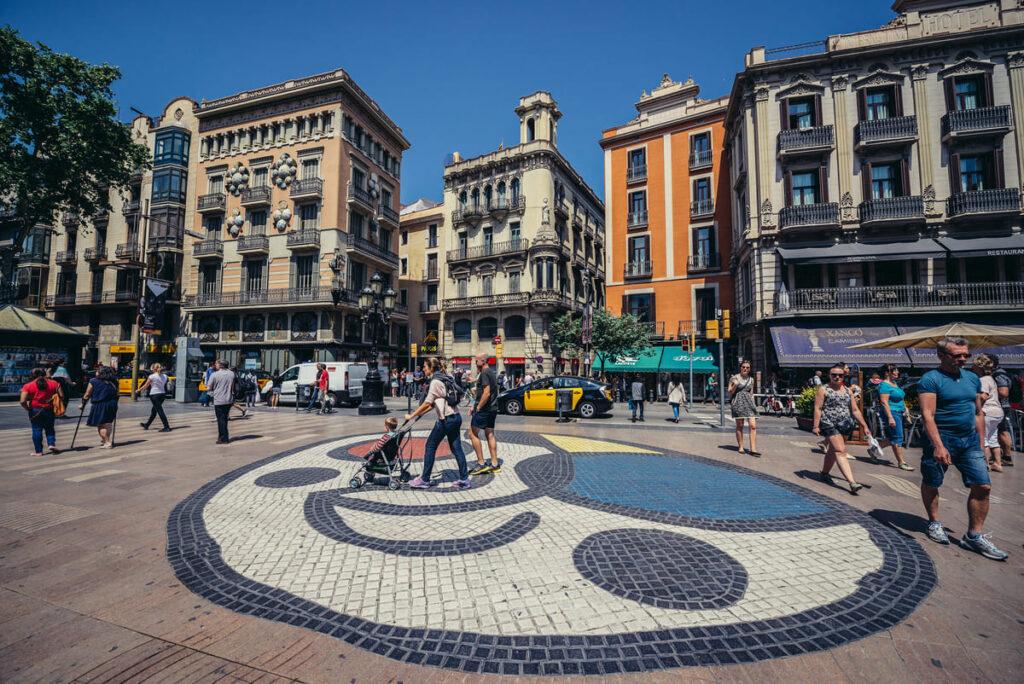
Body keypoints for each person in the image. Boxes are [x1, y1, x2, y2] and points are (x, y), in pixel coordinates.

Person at [918, 337, 1007, 560]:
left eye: (965, 355)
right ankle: (934, 522)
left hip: (969, 441)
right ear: (941, 356)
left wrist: (981, 444)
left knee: (983, 486)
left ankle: (974, 536)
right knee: (932, 482)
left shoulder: (971, 378)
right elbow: (927, 415)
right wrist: (938, 445)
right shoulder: (931, 379)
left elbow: (978, 412)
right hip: (941, 438)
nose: (963, 359)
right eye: (956, 355)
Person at [405, 357, 470, 489]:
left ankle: (425, 479)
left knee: (430, 446)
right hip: (456, 417)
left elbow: (428, 402)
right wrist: (421, 413)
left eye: (425, 367)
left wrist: (412, 415)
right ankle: (464, 479)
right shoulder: (445, 378)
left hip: (446, 419)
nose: (423, 369)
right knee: (456, 448)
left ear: (431, 368)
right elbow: (433, 404)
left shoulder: (435, 381)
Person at [812, 363, 868, 494]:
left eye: (840, 375)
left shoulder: (848, 391)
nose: (837, 377)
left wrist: (865, 426)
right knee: (840, 450)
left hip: (845, 424)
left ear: (844, 376)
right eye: (834, 375)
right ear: (829, 376)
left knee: (833, 450)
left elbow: (855, 410)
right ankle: (852, 482)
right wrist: (815, 425)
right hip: (829, 423)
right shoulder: (823, 389)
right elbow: (818, 408)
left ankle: (824, 473)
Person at [874, 363, 913, 471]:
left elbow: (900, 398)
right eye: (894, 370)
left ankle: (874, 450)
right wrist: (890, 417)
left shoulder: (894, 383)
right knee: (898, 437)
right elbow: (884, 402)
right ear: (887, 373)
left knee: (894, 436)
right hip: (891, 412)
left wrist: (906, 410)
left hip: (899, 412)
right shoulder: (884, 385)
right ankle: (901, 462)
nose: (897, 372)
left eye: (897, 370)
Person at [469, 352, 500, 476]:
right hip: (492, 409)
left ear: (483, 361)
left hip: (485, 409)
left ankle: (481, 464)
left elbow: (486, 393)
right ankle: (494, 464)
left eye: (476, 361)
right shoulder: (490, 373)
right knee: (490, 434)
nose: (475, 363)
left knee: (472, 434)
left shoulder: (485, 373)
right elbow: (486, 388)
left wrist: (478, 407)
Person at [973, 353, 1004, 473]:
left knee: (983, 439)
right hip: (997, 412)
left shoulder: (983, 380)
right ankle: (997, 463)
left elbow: (983, 396)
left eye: (974, 365)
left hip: (987, 412)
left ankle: (985, 464)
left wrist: (976, 408)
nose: (972, 368)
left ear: (980, 367)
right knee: (993, 439)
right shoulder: (991, 379)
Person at [21, 367, 63, 456]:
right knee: (50, 428)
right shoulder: (54, 383)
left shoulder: (28, 385)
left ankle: (39, 451)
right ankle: (51, 444)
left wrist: (27, 408)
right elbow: (62, 396)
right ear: (44, 374)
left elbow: (22, 401)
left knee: (37, 429)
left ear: (32, 375)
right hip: (49, 408)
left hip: (35, 409)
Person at [81, 366, 119, 449]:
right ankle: (106, 440)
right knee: (108, 423)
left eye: (97, 371)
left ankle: (107, 442)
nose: (96, 372)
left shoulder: (93, 381)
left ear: (101, 372)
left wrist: (82, 404)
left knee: (101, 424)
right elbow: (117, 394)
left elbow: (87, 394)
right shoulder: (115, 382)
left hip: (100, 404)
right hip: (112, 404)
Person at [728, 362, 759, 455]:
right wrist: (735, 385)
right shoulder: (734, 378)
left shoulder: (752, 380)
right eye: (743, 367)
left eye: (747, 367)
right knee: (740, 425)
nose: (745, 369)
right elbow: (730, 392)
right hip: (738, 402)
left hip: (749, 403)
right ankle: (741, 447)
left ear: (750, 369)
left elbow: (751, 393)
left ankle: (753, 449)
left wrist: (754, 405)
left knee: (753, 426)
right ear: (740, 368)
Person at [990, 357, 1014, 467]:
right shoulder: (998, 373)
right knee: (999, 432)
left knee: (1002, 431)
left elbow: (1004, 392)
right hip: (1000, 407)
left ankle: (1007, 457)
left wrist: (989, 392)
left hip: (1001, 407)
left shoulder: (999, 375)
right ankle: (1000, 456)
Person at [206, 360, 236, 444]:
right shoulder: (231, 374)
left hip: (219, 399)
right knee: (225, 418)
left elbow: (209, 388)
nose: (215, 365)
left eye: (216, 364)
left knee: (221, 419)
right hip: (229, 399)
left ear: (220, 365)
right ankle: (222, 436)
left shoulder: (214, 375)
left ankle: (224, 438)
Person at [137, 362, 172, 432]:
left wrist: (138, 390)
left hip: (154, 395)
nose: (151, 370)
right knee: (154, 411)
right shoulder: (165, 376)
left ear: (154, 369)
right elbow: (170, 382)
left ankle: (167, 427)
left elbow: (146, 385)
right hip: (162, 394)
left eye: (152, 369)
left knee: (160, 411)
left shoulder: (152, 376)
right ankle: (147, 424)